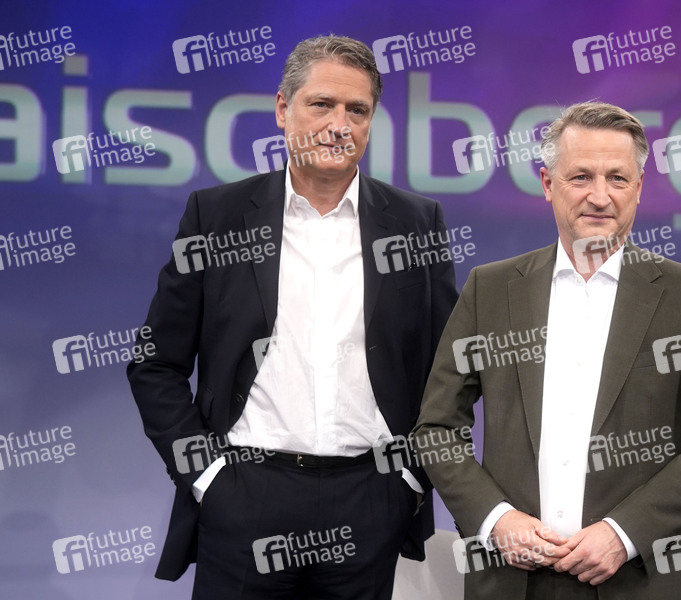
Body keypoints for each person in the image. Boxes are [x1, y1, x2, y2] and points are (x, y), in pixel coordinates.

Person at [127, 35, 458, 600]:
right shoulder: (217, 216)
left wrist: (408, 480)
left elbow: (445, 375)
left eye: (357, 110)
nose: (339, 125)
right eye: (321, 104)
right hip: (244, 496)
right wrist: (206, 477)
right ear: (283, 109)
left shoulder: (416, 223)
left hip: (371, 499)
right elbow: (155, 364)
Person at [412, 101, 681, 599]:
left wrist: (624, 533)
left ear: (639, 187)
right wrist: (496, 520)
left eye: (617, 178)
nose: (600, 196)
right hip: (511, 581)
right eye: (580, 177)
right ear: (548, 184)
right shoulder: (490, 289)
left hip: (635, 580)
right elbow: (437, 429)